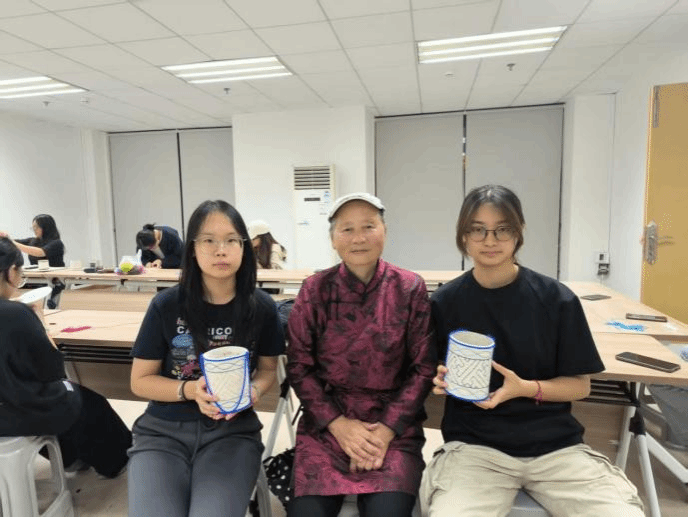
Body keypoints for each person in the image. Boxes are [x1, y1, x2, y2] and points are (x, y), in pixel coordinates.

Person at [422, 185, 644, 517]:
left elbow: (580, 385)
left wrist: (525, 388)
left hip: (557, 449)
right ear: (463, 235)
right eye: (478, 229)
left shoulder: (556, 299)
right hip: (474, 450)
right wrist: (439, 379)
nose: (490, 240)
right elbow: (431, 372)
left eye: (502, 229)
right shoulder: (444, 302)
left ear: (519, 232)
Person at [128, 200, 285, 517]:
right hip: (162, 432)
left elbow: (268, 370)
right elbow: (140, 381)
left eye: (231, 240)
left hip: (232, 433)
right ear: (193, 248)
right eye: (209, 240)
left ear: (244, 247)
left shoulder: (262, 307)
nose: (220, 251)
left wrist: (254, 390)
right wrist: (189, 390)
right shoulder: (166, 305)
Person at [286, 192, 435, 517]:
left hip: (392, 429)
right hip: (327, 426)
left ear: (385, 231)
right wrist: (338, 425)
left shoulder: (410, 288)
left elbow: (423, 369)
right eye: (347, 229)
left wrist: (385, 430)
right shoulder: (314, 290)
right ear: (333, 239)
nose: (359, 238)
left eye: (369, 226)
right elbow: (299, 366)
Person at [0, 237, 132, 478]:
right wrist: (40, 325)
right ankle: (112, 463)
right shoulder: (16, 314)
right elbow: (53, 369)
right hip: (17, 411)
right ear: (10, 272)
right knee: (89, 403)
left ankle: (70, 458)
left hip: (7, 405)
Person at [0, 214, 65, 267]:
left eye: (36, 227)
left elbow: (40, 252)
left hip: (54, 277)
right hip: (35, 276)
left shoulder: (57, 243)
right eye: (33, 227)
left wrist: (12, 242)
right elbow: (13, 242)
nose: (34, 230)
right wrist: (5, 238)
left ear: (46, 227)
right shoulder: (33, 240)